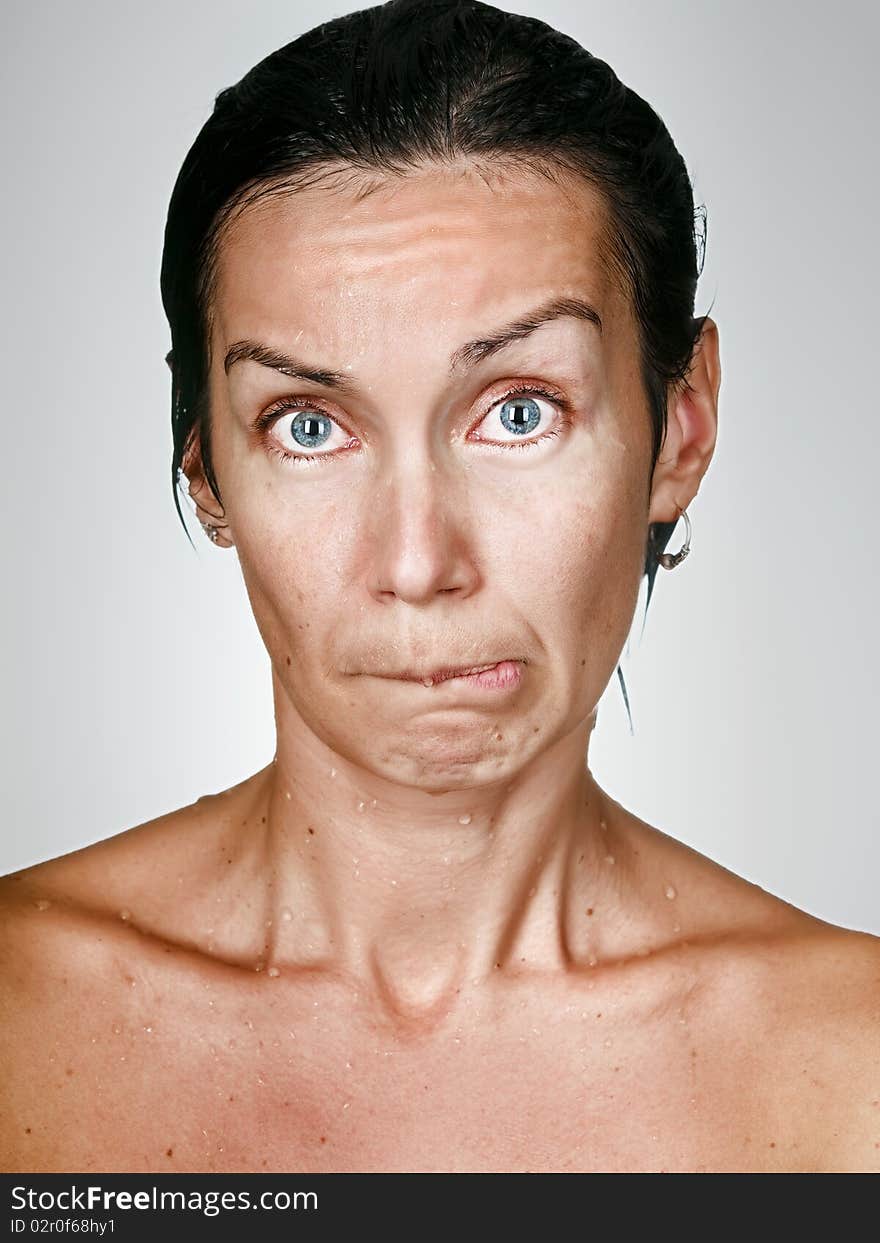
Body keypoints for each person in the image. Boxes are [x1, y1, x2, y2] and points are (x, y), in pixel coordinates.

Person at [2, 0, 877, 1175]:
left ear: (680, 423)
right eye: (308, 425)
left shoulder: (849, 1076)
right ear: (205, 468)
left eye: (519, 411)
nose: (417, 563)